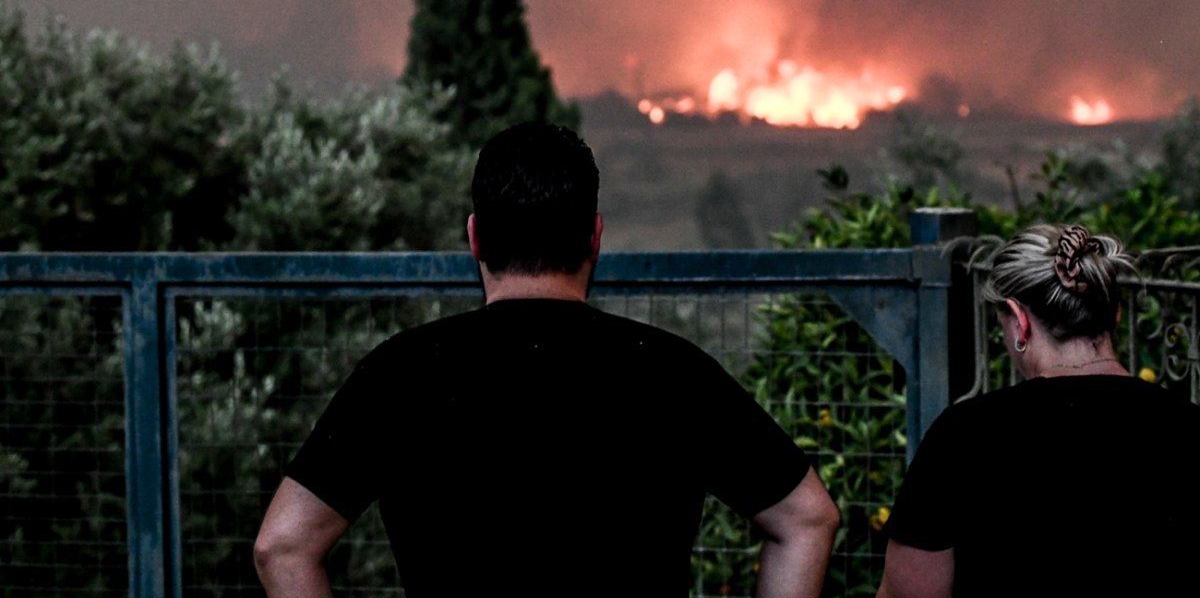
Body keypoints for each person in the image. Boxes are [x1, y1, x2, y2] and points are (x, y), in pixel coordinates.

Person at [255, 122, 839, 598]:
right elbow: (807, 518)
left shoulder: (401, 372)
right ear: (594, 237)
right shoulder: (672, 371)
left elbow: (282, 546)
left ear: (476, 238)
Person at [877, 223, 1200, 598]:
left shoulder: (965, 434)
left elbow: (908, 593)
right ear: (1114, 315)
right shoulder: (1190, 427)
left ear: (1019, 321)